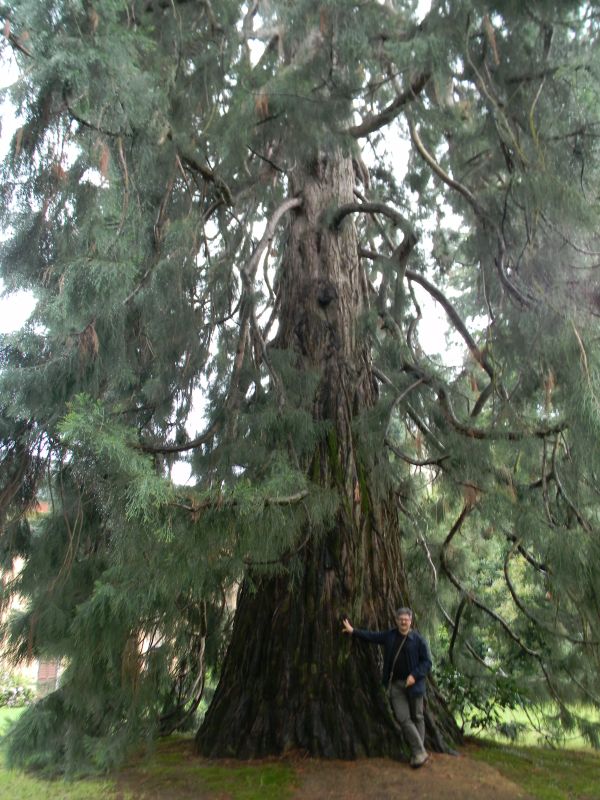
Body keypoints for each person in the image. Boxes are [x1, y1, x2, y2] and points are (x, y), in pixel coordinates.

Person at [342, 607, 431, 768]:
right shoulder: (390, 636)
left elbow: (427, 662)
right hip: (396, 685)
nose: (403, 622)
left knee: (418, 717)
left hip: (415, 685)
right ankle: (420, 752)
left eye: (406, 619)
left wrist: (414, 675)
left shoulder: (418, 640)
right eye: (400, 619)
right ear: (396, 620)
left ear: (411, 621)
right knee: (403, 718)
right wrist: (353, 631)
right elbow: (372, 636)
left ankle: (418, 753)